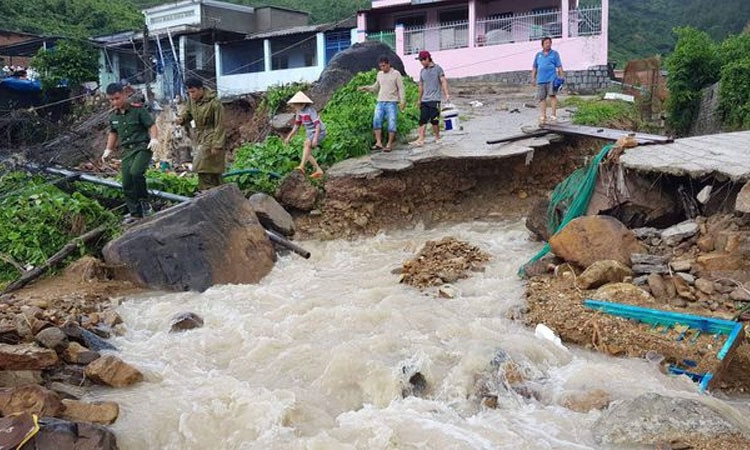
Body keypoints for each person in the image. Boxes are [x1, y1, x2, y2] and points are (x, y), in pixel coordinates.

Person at [101, 82, 159, 223]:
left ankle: (145, 203)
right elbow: (113, 133)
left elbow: (151, 125)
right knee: (126, 181)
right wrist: (108, 149)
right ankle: (135, 213)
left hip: (143, 147)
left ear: (124, 94)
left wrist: (154, 139)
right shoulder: (113, 116)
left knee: (136, 172)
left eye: (117, 98)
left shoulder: (138, 110)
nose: (115, 102)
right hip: (127, 150)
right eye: (111, 99)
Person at [176, 77, 226, 191]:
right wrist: (182, 119)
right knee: (211, 170)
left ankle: (206, 190)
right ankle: (215, 191)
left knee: (200, 164)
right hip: (199, 136)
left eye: (193, 92)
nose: (191, 95)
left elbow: (220, 124)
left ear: (201, 89)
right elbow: (188, 113)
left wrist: (217, 144)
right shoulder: (192, 101)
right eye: (189, 92)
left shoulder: (214, 103)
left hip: (212, 135)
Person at [357, 55, 405, 152]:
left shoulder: (396, 74)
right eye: (380, 66)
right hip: (380, 101)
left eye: (384, 66)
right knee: (376, 120)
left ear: (388, 64)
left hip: (392, 102)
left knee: (392, 122)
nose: (382, 68)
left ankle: (389, 144)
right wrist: (365, 87)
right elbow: (375, 87)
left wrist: (402, 101)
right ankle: (378, 143)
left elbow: (401, 88)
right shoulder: (379, 74)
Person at [412, 50, 450, 147]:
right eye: (420, 60)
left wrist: (446, 94)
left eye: (422, 60)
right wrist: (419, 99)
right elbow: (421, 86)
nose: (421, 62)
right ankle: (421, 139)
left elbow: (443, 81)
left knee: (435, 120)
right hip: (425, 100)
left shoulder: (438, 69)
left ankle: (437, 137)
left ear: (428, 58)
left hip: (435, 99)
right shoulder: (422, 71)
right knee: (422, 120)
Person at [284, 91, 325, 179]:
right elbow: (296, 125)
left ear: (301, 104)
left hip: (319, 131)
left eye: (296, 104)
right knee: (307, 153)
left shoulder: (310, 111)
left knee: (306, 143)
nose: (295, 106)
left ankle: (302, 166)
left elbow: (317, 125)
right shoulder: (299, 112)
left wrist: (315, 138)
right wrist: (289, 137)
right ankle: (318, 170)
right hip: (310, 132)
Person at [531, 36, 564, 124]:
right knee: (542, 98)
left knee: (552, 96)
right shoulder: (538, 55)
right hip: (541, 79)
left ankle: (553, 114)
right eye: (546, 43)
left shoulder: (554, 54)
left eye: (549, 43)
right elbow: (534, 67)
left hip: (552, 79)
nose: (548, 44)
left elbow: (559, 66)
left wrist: (561, 76)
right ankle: (543, 115)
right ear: (542, 45)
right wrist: (533, 78)